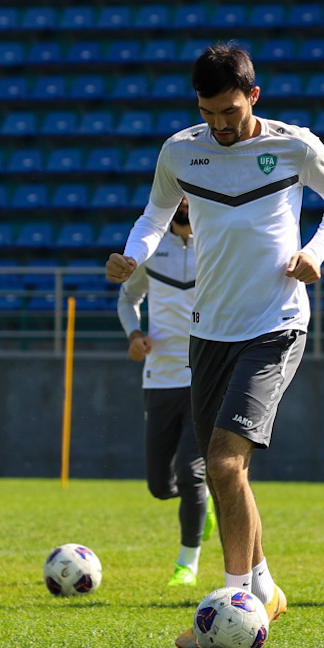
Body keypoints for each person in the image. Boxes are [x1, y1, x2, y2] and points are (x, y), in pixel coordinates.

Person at [106, 43, 324, 648]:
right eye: (209, 112)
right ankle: (265, 585)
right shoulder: (179, 151)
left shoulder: (292, 145)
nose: (220, 124)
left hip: (275, 325)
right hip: (208, 330)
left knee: (221, 462)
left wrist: (313, 253)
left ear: (253, 95)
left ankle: (230, 609)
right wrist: (132, 256)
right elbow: (154, 215)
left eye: (230, 110)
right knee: (230, 475)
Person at [116, 197, 216, 588]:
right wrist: (134, 334)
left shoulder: (218, 243)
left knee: (192, 473)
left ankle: (187, 563)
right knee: (160, 486)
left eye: (193, 194)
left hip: (205, 377)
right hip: (159, 378)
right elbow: (128, 300)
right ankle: (201, 504)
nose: (186, 202)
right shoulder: (151, 251)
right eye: (180, 195)